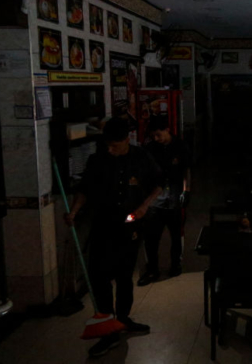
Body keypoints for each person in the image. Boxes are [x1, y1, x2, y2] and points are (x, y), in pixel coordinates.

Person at [64, 117, 162, 358]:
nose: (110, 149)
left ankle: (123, 318)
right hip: (103, 225)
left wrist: (144, 206)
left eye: (114, 145)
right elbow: (84, 189)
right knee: (99, 277)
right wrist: (74, 211)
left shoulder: (141, 157)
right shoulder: (97, 159)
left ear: (126, 139)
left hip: (130, 226)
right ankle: (108, 328)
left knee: (125, 275)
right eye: (107, 144)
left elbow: (158, 184)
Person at [138, 118, 191, 286]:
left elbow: (187, 170)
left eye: (158, 135)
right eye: (153, 136)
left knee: (176, 235)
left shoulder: (180, 146)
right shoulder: (150, 149)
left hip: (174, 198)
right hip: (155, 200)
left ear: (167, 129)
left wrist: (187, 191)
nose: (156, 139)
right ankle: (152, 269)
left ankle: (176, 265)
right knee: (151, 237)